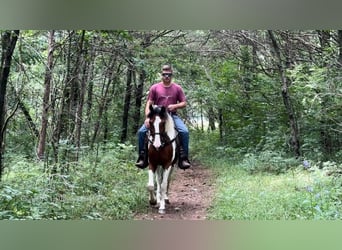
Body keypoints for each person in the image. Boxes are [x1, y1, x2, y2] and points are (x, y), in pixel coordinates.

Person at [135, 64, 191, 170]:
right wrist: (147, 117)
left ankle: (183, 158)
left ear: (171, 75)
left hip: (172, 116)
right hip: (156, 116)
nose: (167, 77)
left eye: (169, 74)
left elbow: (184, 103)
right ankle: (142, 157)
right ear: (161, 75)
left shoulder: (177, 88)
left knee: (184, 132)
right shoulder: (155, 88)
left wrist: (175, 105)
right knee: (142, 132)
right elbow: (149, 103)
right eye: (165, 74)